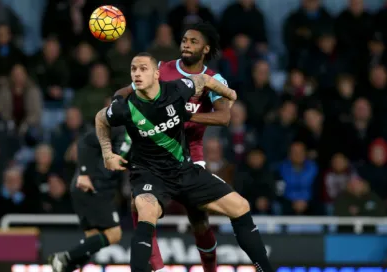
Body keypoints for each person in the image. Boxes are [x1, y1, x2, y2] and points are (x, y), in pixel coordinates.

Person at [94, 52, 273, 272]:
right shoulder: (125, 106)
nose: (137, 74)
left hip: (185, 170)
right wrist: (107, 153)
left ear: (157, 74)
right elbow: (101, 118)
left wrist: (229, 93)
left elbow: (205, 80)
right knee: (146, 212)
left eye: (143, 69)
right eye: (133, 69)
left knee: (240, 206)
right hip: (150, 175)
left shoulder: (177, 90)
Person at [115, 21, 231, 272]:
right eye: (184, 41)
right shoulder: (161, 70)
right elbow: (125, 91)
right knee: (140, 204)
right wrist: (117, 104)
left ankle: (210, 268)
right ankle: (157, 267)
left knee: (198, 220)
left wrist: (185, 116)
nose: (186, 45)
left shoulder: (213, 79)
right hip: (154, 152)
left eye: (193, 41)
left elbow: (223, 117)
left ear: (206, 48)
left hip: (191, 154)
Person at [48, 128, 125, 272]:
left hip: (97, 189)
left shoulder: (145, 138)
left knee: (92, 241)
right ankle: (65, 258)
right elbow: (84, 142)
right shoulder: (119, 126)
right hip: (92, 185)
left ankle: (64, 267)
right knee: (114, 234)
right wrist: (84, 173)